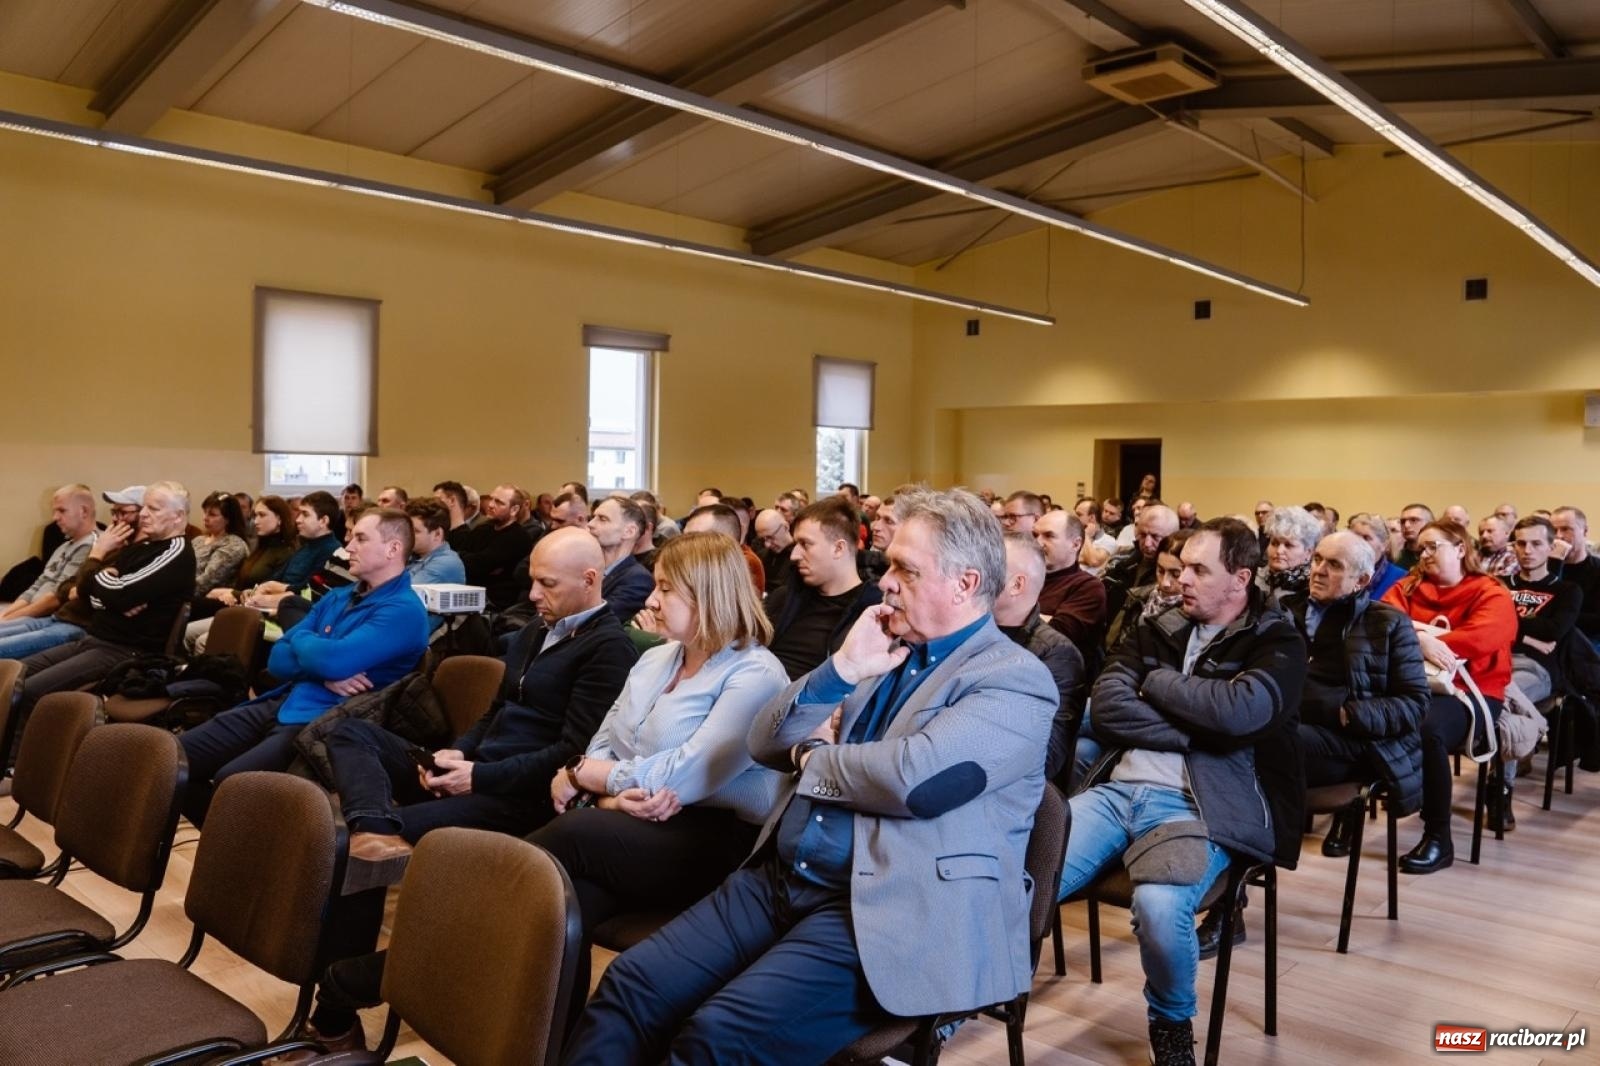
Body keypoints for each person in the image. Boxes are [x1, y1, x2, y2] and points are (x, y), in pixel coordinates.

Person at [563, 488, 1057, 1066]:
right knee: (632, 986)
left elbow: (911, 781)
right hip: (781, 876)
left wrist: (810, 760)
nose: (885, 583)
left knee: (717, 1037)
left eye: (904, 569)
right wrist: (843, 668)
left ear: (966, 584)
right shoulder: (881, 649)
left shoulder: (1014, 680)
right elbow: (764, 740)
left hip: (890, 906)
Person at [1057, 518, 1306, 1066]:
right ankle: (955, 1004)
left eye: (1198, 569)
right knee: (1022, 877)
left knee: (1160, 905)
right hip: (1117, 789)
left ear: (1239, 579)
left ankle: (1171, 1024)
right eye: (1180, 567)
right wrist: (1203, 729)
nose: (1180, 580)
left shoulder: (1277, 638)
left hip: (1197, 802)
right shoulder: (1159, 624)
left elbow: (1244, 712)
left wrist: (1156, 682)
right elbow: (1107, 707)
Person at [529, 531, 789, 1009]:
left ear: (710, 594)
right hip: (631, 821)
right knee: (561, 909)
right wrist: (605, 789)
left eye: (667, 588)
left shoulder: (755, 673)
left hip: (713, 841)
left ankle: (454, 923)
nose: (651, 599)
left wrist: (588, 776)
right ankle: (551, 1045)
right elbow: (605, 738)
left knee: (568, 837)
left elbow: (684, 775)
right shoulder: (654, 658)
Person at [177, 509, 431, 826]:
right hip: (285, 700)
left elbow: (331, 660)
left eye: (361, 539)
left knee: (231, 784)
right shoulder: (338, 596)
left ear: (393, 549)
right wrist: (322, 668)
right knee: (172, 760)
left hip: (323, 723)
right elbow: (278, 660)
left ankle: (247, 860)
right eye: (351, 537)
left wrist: (305, 642)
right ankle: (232, 847)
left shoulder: (404, 611)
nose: (348, 546)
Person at [1381, 519, 1516, 874]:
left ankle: (1438, 836)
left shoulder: (1490, 591)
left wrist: (1415, 634)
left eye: (1433, 546)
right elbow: (1380, 625)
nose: (1423, 554)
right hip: (1408, 684)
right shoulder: (1408, 587)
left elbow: (1480, 641)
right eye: (1420, 549)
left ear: (1460, 548)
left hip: (1473, 690)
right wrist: (1423, 640)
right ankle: (1348, 815)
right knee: (1359, 712)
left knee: (1428, 729)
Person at [1285, 531, 1428, 860]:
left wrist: (1346, 713)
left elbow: (1414, 704)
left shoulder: (1387, 624)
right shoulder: (1285, 611)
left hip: (1353, 740)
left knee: (1267, 750)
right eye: (1317, 559)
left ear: (1362, 579)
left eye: (1334, 565)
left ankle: (1257, 865)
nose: (1318, 570)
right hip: (1292, 727)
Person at [14, 481, 197, 721]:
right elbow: (88, 595)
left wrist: (99, 560)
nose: (143, 514)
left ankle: (20, 758)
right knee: (12, 676)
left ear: (178, 516)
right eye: (144, 507)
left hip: (125, 650)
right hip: (95, 639)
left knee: (29, 692)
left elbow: (116, 595)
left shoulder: (175, 552)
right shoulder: (142, 547)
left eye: (154, 509)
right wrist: (109, 592)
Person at [1497, 515, 1582, 826]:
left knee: (1506, 699)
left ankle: (1501, 790)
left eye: (1536, 543)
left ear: (1550, 548)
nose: (1527, 550)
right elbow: (1486, 627)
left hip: (1535, 668)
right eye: (1521, 543)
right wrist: (1529, 634)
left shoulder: (1567, 590)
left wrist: (1509, 623)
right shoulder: (1499, 585)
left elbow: (1554, 631)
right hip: (1491, 662)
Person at [995, 533, 1086, 784]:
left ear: (1016, 585)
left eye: (989, 567)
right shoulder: (963, 631)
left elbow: (1048, 757)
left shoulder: (1056, 655)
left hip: (1010, 791)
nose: (973, 576)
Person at [763, 498, 881, 680]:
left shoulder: (872, 615)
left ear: (838, 548)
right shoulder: (783, 599)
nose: (794, 555)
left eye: (805, 544)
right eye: (795, 544)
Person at [0, 486, 100, 659]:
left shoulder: (94, 547)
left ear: (83, 511)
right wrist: (5, 614)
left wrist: (7, 620)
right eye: (54, 511)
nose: (55, 518)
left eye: (61, 511)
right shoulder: (64, 546)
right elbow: (36, 586)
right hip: (35, 613)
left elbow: (54, 599)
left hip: (49, 618)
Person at [1031, 510, 1107, 662]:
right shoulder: (1025, 577)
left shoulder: (1088, 587)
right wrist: (1042, 618)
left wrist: (1015, 614)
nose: (1037, 543)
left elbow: (1054, 638)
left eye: (1049, 536)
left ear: (1076, 544)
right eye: (1035, 535)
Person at [452, 484, 534, 612]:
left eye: (499, 502)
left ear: (514, 510)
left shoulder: (518, 537)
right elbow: (458, 557)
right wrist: (470, 560)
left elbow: (479, 565)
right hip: (470, 595)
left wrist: (470, 560)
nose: (490, 505)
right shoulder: (483, 529)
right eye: (491, 499)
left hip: (495, 605)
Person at [588, 496, 655, 622]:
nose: (590, 524)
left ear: (629, 531)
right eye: (593, 517)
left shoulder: (638, 580)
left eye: (602, 519)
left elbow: (595, 621)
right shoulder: (586, 567)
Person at [1551, 506, 1600, 648]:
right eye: (1554, 531)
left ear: (1584, 531)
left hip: (1587, 640)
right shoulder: (1543, 568)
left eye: (1566, 529)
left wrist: (1559, 619)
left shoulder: (1597, 570)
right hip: (1548, 639)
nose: (1559, 536)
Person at [1258, 505, 1323, 604]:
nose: (1279, 551)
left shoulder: (1314, 588)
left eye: (1289, 545)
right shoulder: (1255, 580)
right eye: (1274, 543)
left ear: (1308, 553)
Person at [192, 491, 250, 597]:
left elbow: (206, 582)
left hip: (210, 600)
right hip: (185, 594)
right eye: (205, 512)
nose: (205, 518)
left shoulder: (233, 545)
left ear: (228, 519)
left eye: (212, 515)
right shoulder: (198, 540)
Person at [1349, 512, 1406, 599]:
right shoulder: (1339, 570)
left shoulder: (1401, 577)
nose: (1358, 542)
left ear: (1384, 544)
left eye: (1366, 538)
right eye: (1354, 537)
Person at [1396, 503, 1434, 569]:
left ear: (1430, 523)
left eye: (1414, 520)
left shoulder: (1438, 556)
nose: (1406, 525)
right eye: (1403, 521)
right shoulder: (1395, 558)